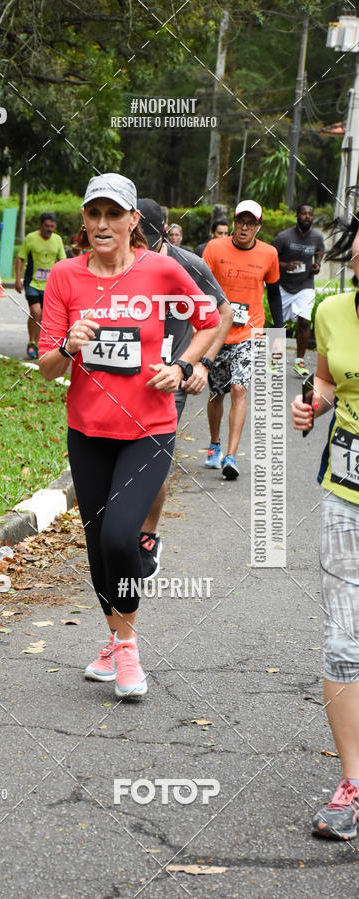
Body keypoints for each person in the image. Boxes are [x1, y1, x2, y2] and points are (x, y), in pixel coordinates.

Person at [38, 173, 220, 698]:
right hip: (88, 431)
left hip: (149, 428)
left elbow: (212, 319)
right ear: (84, 220)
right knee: (99, 547)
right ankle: (116, 642)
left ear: (132, 221)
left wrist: (185, 365)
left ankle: (128, 647)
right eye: (93, 214)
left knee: (121, 535)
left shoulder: (162, 269)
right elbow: (48, 368)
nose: (102, 224)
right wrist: (70, 344)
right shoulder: (65, 278)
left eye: (113, 215)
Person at [290, 210, 359, 840]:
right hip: (346, 490)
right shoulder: (333, 310)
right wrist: (312, 402)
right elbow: (327, 379)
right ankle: (352, 783)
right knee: (343, 641)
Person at [136, 198, 233, 577]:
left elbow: (222, 314)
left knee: (155, 457)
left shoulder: (189, 265)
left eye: (143, 237)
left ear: (163, 233)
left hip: (172, 377)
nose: (135, 246)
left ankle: (148, 534)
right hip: (125, 376)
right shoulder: (121, 261)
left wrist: (203, 364)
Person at [202, 199, 283, 479]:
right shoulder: (214, 249)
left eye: (251, 223)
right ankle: (215, 444)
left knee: (239, 389)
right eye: (241, 221)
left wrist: (278, 334)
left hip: (251, 330)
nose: (245, 227)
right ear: (234, 223)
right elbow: (201, 287)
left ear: (258, 227)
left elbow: (273, 292)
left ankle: (231, 456)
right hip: (218, 330)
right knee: (217, 393)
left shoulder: (269, 254)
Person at [272, 204, 325, 378]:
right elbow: (270, 258)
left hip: (305, 285)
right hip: (284, 286)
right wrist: (285, 265)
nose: (307, 217)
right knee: (278, 324)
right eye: (304, 213)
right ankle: (274, 359)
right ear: (297, 215)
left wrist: (317, 263)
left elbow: (320, 249)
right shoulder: (283, 237)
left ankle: (299, 361)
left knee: (304, 321)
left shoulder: (316, 236)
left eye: (310, 214)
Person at [15, 212, 66, 359]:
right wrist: (18, 279)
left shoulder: (57, 240)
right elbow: (20, 259)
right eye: (47, 226)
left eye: (52, 226)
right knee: (36, 312)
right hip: (32, 282)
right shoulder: (31, 238)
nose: (49, 229)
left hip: (50, 285)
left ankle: (37, 343)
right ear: (40, 225)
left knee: (43, 316)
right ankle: (32, 342)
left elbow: (62, 262)